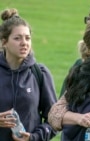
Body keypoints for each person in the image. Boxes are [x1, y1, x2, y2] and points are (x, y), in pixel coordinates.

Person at [0, 8, 57, 141]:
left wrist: (34, 137)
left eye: (27, 38)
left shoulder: (40, 73)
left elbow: (54, 120)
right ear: (4, 42)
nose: (24, 43)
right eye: (17, 38)